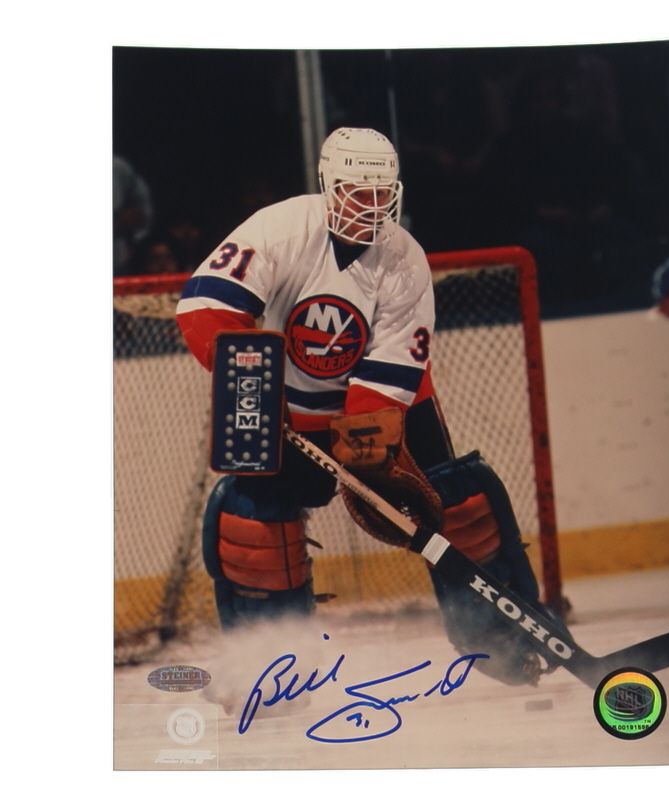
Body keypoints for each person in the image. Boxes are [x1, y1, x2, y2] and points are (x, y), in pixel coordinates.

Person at [176, 127, 565, 688]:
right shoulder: (280, 229)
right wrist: (252, 381)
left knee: (459, 504)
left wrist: (365, 447)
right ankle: (269, 668)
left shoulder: (405, 258)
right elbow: (205, 303)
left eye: (382, 193)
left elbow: (394, 363)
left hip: (387, 409)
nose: (371, 206)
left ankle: (504, 640)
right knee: (254, 521)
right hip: (286, 409)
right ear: (328, 186)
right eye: (359, 192)